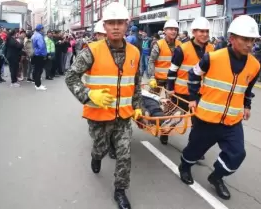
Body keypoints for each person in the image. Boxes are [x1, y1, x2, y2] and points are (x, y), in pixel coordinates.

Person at [65, 2, 141, 208]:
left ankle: (120, 190)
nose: (115, 27)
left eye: (119, 23)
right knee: (101, 148)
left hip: (123, 116)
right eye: (111, 23)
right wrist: (88, 95)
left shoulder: (135, 52)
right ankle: (96, 156)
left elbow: (136, 82)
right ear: (104, 26)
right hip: (98, 115)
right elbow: (71, 76)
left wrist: (138, 104)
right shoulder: (92, 51)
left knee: (124, 154)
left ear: (127, 25)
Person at [178, 15, 261, 200]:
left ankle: (216, 177)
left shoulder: (254, 65)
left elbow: (248, 88)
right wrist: (193, 97)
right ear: (232, 38)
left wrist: (247, 105)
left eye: (252, 40)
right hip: (207, 118)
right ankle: (184, 166)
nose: (249, 44)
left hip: (232, 121)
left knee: (237, 154)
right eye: (245, 39)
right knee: (194, 152)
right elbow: (193, 74)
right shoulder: (212, 58)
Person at [148, 19, 181, 145]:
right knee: (152, 101)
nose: (173, 31)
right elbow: (151, 61)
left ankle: (165, 132)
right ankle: (151, 121)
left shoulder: (180, 44)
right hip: (157, 79)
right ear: (165, 31)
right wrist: (151, 77)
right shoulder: (159, 44)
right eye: (171, 29)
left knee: (170, 106)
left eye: (175, 29)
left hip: (171, 81)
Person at [32, 24, 48, 91]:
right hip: (39, 55)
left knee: (37, 70)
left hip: (36, 54)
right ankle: (38, 85)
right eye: (42, 29)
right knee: (39, 70)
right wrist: (44, 54)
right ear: (40, 29)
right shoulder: (39, 36)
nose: (43, 30)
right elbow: (41, 46)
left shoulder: (34, 35)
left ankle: (37, 84)